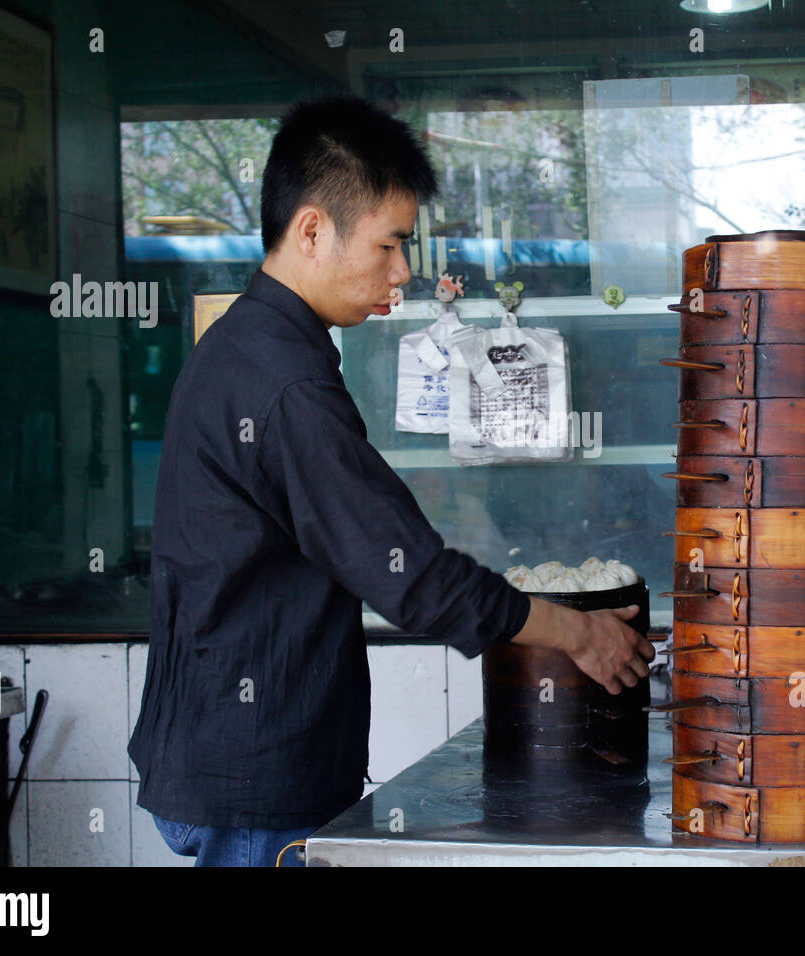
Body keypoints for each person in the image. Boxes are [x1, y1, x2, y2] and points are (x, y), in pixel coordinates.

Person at [127, 93, 653, 867]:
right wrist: (577, 633)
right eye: (390, 244)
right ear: (312, 230)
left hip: (221, 755)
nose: (404, 271)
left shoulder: (246, 345)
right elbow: (409, 574)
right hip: (255, 782)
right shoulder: (285, 386)